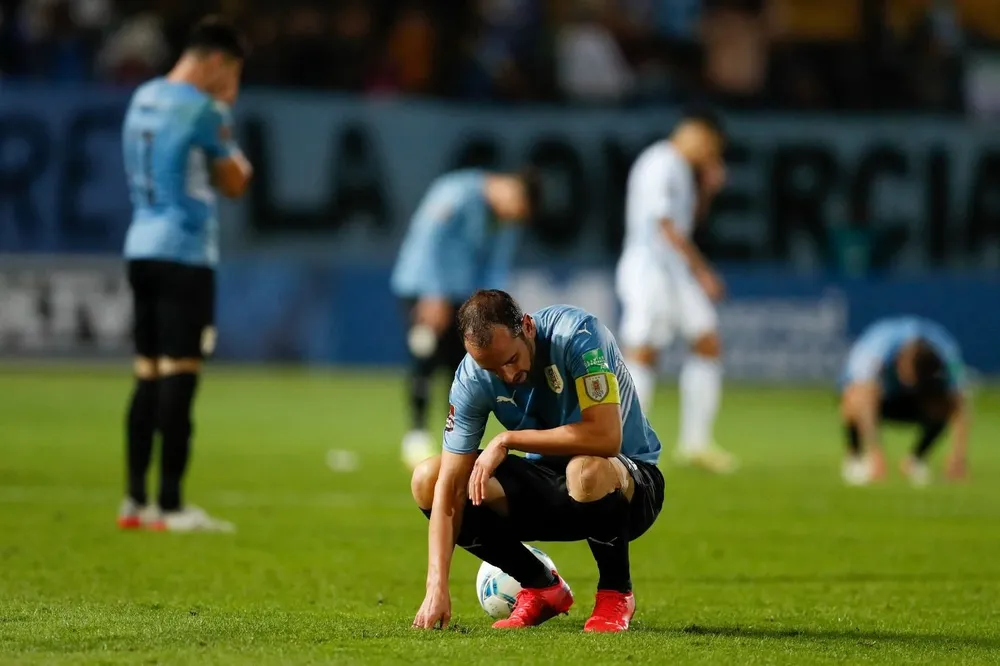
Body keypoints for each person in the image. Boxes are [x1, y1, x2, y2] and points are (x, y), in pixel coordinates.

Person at [410, 290, 664, 633]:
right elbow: (450, 485)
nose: (506, 374)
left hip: (628, 483)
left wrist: (509, 439)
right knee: (428, 478)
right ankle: (542, 587)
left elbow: (607, 438)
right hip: (551, 485)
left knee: (585, 470)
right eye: (492, 368)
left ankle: (615, 593)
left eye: (511, 359)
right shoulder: (472, 376)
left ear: (527, 327)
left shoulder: (578, 336)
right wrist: (436, 586)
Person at [117, 16, 253, 532]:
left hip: (141, 244)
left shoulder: (143, 97)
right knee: (180, 379)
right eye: (234, 73)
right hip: (185, 254)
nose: (233, 86)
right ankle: (171, 506)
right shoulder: (204, 110)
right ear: (217, 63)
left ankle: (134, 500)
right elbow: (235, 182)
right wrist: (229, 137)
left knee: (147, 375)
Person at [391, 169, 542, 469]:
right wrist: (433, 293)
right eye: (517, 209)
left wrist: (492, 304)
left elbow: (496, 265)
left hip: (464, 298)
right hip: (424, 290)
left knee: (463, 365)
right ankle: (416, 434)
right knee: (425, 356)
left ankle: (457, 437)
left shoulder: (504, 221)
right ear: (511, 189)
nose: (514, 217)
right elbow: (428, 238)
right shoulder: (456, 192)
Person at [615, 107, 736, 474]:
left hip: (672, 268)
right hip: (649, 266)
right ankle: (622, 443)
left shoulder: (681, 170)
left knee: (707, 340)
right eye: (710, 146)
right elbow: (664, 225)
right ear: (695, 132)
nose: (709, 155)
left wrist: (707, 192)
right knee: (643, 351)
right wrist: (703, 271)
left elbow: (684, 223)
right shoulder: (660, 162)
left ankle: (696, 443)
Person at [839, 316, 970, 487]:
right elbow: (864, 398)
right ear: (901, 363)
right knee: (852, 400)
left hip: (918, 401)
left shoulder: (945, 352)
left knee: (942, 405)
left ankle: (916, 459)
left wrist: (958, 457)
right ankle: (855, 457)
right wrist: (875, 451)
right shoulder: (877, 348)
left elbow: (959, 403)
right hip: (882, 398)